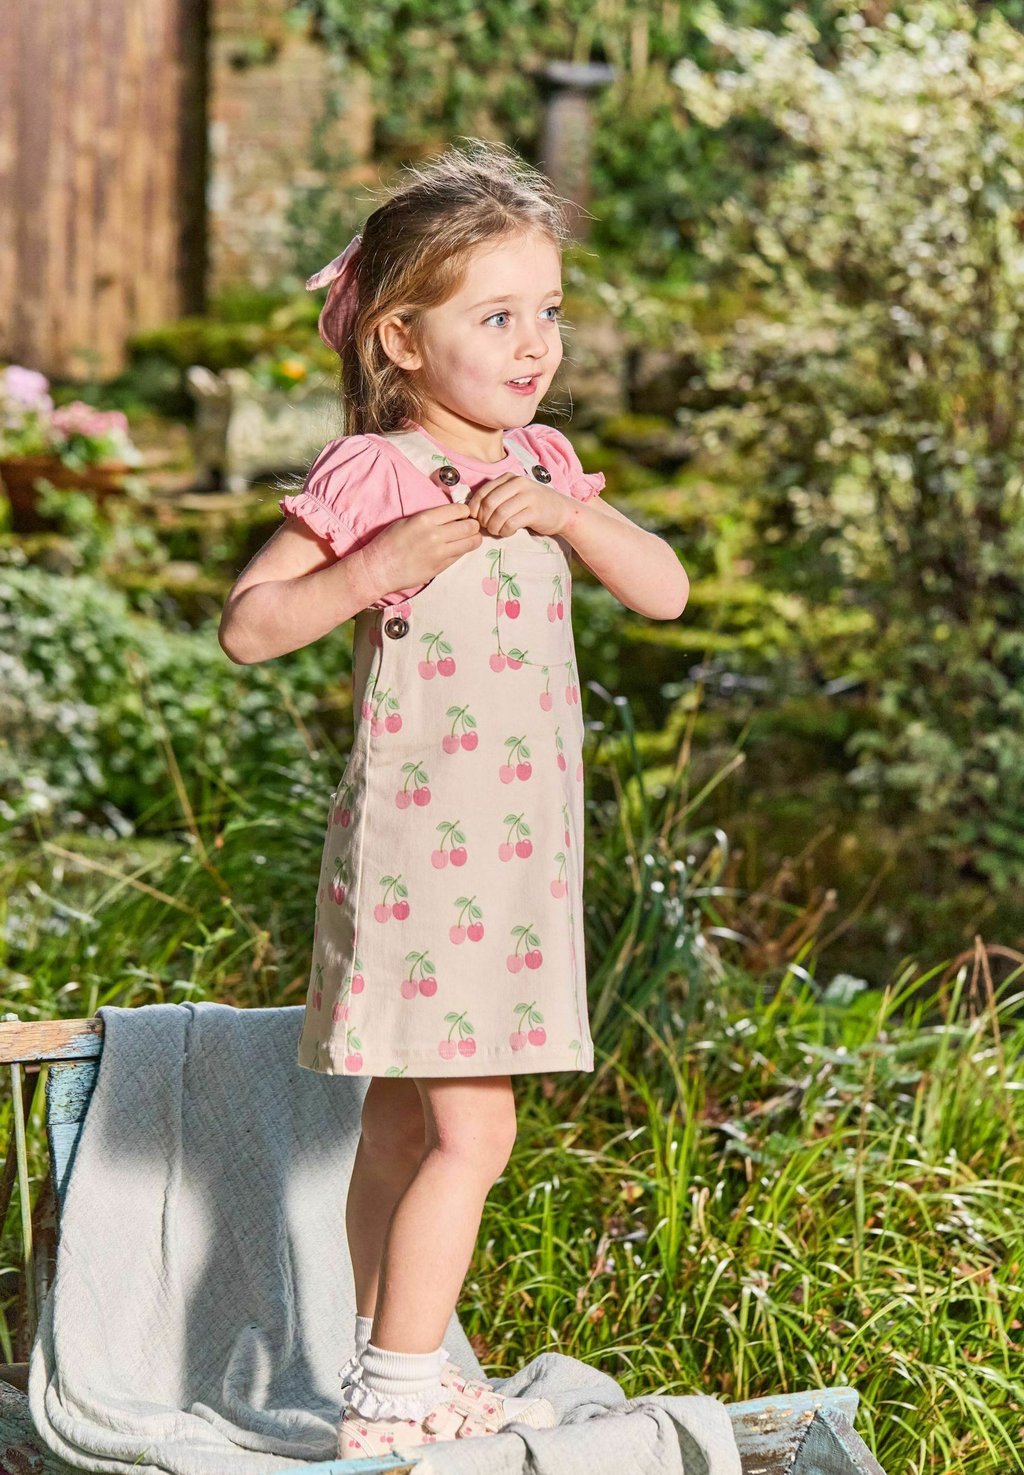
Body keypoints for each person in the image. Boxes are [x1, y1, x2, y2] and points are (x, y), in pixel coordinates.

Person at [218, 137, 689, 1461]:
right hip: (424, 853)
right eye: (496, 316)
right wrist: (373, 569)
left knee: (403, 1125)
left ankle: (381, 1367)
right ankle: (396, 1392)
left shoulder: (544, 461)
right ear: (402, 339)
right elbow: (251, 627)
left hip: (513, 857)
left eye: (550, 310)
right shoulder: (378, 474)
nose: (535, 343)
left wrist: (568, 514)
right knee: (476, 1130)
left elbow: (665, 592)